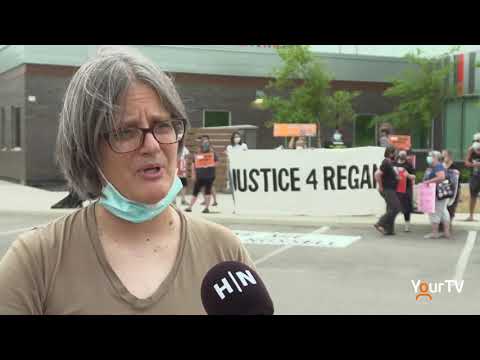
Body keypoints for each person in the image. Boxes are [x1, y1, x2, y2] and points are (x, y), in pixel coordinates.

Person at [0, 46, 254, 314]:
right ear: (86, 149)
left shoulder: (225, 252)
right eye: (125, 132)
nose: (152, 146)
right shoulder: (37, 260)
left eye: (163, 125)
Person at [185, 135, 219, 214]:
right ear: (201, 144)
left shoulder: (212, 153)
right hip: (199, 176)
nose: (205, 144)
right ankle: (190, 207)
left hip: (209, 176)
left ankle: (206, 208)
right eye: (204, 142)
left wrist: (210, 163)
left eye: (207, 143)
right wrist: (193, 174)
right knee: (195, 191)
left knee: (208, 191)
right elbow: (193, 164)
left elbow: (217, 162)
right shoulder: (197, 153)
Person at [374, 145, 403, 235]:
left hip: (391, 189)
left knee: (391, 208)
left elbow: (388, 175)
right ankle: (380, 223)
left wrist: (397, 178)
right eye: (395, 153)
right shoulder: (386, 162)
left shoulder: (389, 162)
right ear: (391, 153)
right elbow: (377, 174)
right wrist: (381, 186)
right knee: (396, 208)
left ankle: (389, 229)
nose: (396, 155)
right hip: (387, 189)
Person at [423, 151, 451, 239]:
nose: (429, 157)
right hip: (442, 192)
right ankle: (446, 232)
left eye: (430, 156)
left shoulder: (438, 166)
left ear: (435, 158)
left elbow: (441, 177)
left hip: (437, 192)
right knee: (443, 211)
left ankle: (434, 233)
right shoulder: (437, 166)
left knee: (435, 211)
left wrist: (428, 181)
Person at [393, 150, 416, 232]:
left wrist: (408, 175)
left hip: (407, 188)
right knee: (394, 206)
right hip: (396, 188)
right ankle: (390, 223)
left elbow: (414, 177)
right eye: (401, 154)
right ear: (398, 155)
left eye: (404, 155)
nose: (403, 156)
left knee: (407, 207)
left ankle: (407, 225)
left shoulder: (409, 165)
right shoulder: (394, 164)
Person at [441, 149, 461, 229]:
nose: (443, 157)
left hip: (453, 190)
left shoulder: (455, 166)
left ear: (449, 156)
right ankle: (441, 224)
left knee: (451, 207)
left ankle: (449, 223)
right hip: (442, 189)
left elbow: (459, 180)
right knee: (442, 207)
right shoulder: (440, 166)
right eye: (442, 155)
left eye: (444, 155)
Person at [464, 135, 480, 221]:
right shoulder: (471, 150)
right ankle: (471, 215)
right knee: (473, 195)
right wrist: (474, 164)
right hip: (475, 175)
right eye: (476, 141)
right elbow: (466, 162)